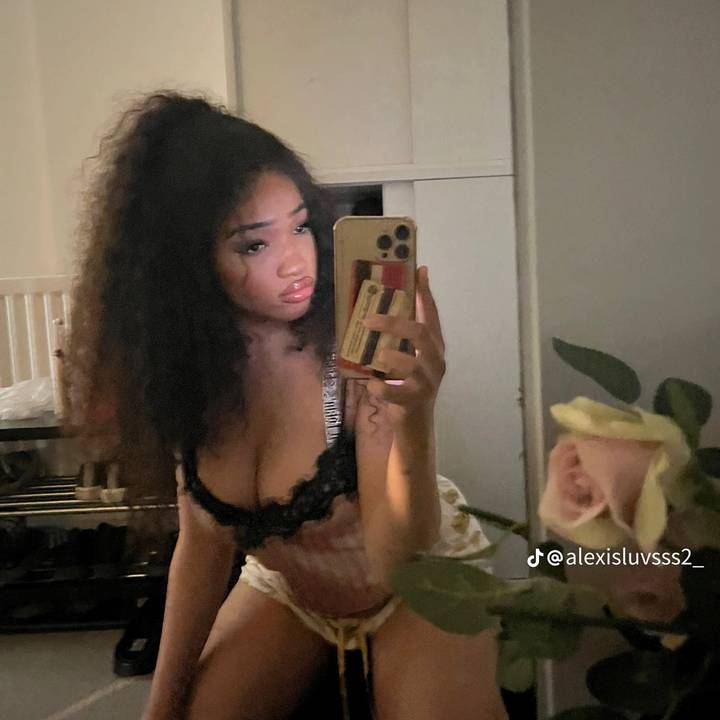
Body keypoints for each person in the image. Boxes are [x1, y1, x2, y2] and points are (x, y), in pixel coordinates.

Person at [64, 90, 508, 720]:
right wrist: (159, 710)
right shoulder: (187, 377)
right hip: (293, 591)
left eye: (300, 226)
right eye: (254, 245)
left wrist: (414, 417)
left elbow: (397, 563)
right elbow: (203, 547)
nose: (296, 261)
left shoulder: (349, 347)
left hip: (420, 578)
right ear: (186, 265)